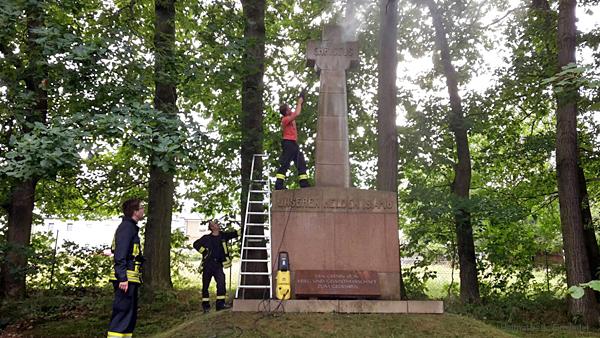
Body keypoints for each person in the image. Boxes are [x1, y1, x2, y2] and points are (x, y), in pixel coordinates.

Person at [107, 198, 145, 338]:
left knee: (129, 314)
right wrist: (122, 277)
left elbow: (130, 252)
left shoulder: (131, 227)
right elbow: (120, 254)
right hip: (125, 278)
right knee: (122, 313)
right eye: (141, 208)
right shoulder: (126, 228)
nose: (143, 210)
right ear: (135, 211)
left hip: (131, 277)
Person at [193, 219, 238, 312]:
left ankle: (220, 305)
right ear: (212, 227)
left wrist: (246, 228)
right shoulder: (206, 238)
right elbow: (195, 244)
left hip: (218, 265)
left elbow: (234, 234)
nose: (217, 224)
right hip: (208, 265)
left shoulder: (223, 236)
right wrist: (204, 251)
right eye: (215, 224)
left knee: (221, 283)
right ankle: (206, 307)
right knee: (205, 286)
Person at [275, 90, 310, 190]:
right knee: (285, 163)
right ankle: (279, 184)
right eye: (289, 108)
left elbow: (296, 111)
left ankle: (303, 182)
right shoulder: (285, 119)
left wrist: (301, 101)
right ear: (286, 112)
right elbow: (297, 113)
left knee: (300, 161)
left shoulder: (290, 117)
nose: (290, 109)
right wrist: (299, 103)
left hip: (293, 143)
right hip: (288, 143)